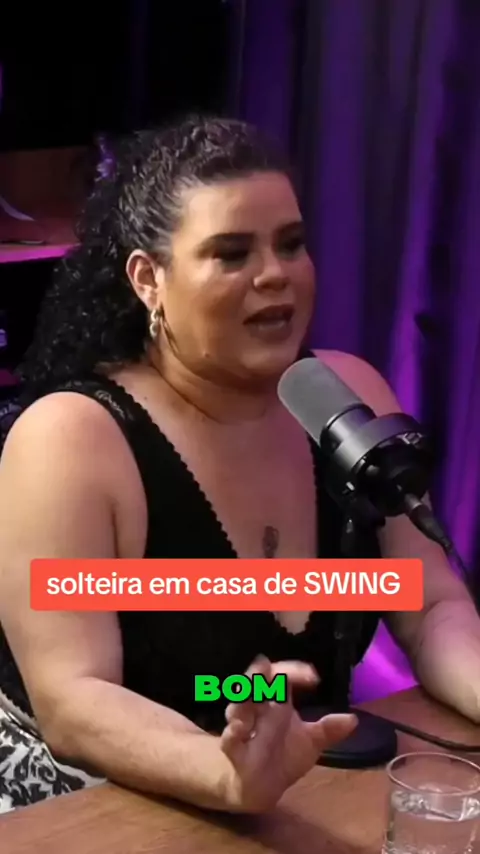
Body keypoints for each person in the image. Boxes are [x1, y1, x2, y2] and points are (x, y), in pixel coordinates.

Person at [0, 116, 477, 816]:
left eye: (291, 244)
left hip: (298, 793)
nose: (275, 274)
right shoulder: (70, 438)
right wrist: (224, 775)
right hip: (82, 805)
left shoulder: (352, 396)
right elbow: (75, 698)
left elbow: (432, 606)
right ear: (149, 279)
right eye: (231, 253)